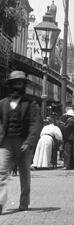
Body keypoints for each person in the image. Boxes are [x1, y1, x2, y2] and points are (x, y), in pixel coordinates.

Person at [0, 71, 42, 214]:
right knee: (1, 172)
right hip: (6, 143)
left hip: (23, 143)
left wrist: (29, 142)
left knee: (24, 174)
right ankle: (0, 202)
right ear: (11, 85)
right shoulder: (2, 103)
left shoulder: (31, 104)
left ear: (24, 85)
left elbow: (35, 124)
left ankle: (24, 203)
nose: (18, 85)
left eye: (21, 83)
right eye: (15, 83)